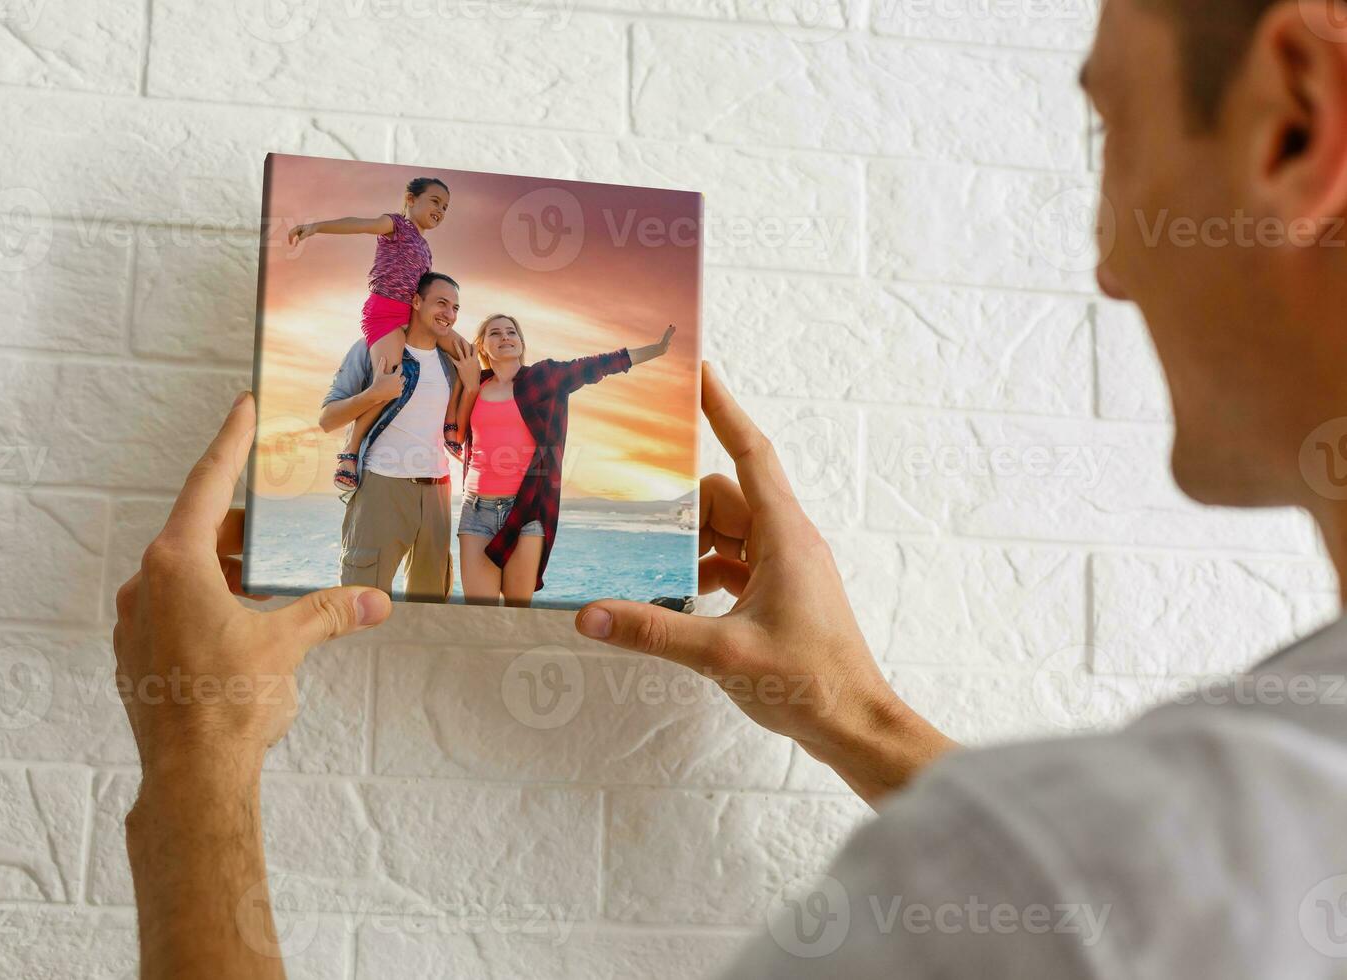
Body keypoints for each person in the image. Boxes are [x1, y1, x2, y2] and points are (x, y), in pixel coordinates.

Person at [113, 0, 1347, 974]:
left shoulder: (1102, 869)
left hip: (499, 511)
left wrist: (194, 772)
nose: (1114, 260)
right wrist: (854, 712)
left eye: (1113, 131)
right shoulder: (1198, 852)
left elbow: (1086, 913)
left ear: (1298, 119)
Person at [449, 314, 676, 606]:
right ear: (481, 346)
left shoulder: (543, 378)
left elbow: (597, 365)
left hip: (527, 509)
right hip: (476, 509)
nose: (505, 337)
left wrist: (655, 350)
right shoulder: (473, 385)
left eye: (511, 332)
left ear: (520, 342)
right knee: (480, 613)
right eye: (495, 333)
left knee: (518, 610)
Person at [287, 176, 468, 491]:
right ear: (411, 199)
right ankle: (350, 452)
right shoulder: (396, 225)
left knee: (467, 355)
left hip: (413, 316)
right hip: (385, 314)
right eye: (435, 201)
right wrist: (316, 227)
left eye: (446, 207)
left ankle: (452, 424)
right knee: (389, 383)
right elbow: (358, 224)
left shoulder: (426, 248)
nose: (441, 210)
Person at [318, 271, 479, 601]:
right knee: (363, 600)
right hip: (382, 488)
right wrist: (373, 394)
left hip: (438, 491)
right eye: (441, 303)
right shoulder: (372, 348)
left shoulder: (455, 363)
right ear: (416, 301)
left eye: (455, 308)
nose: (449, 314)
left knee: (431, 602)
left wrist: (473, 382)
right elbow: (327, 419)